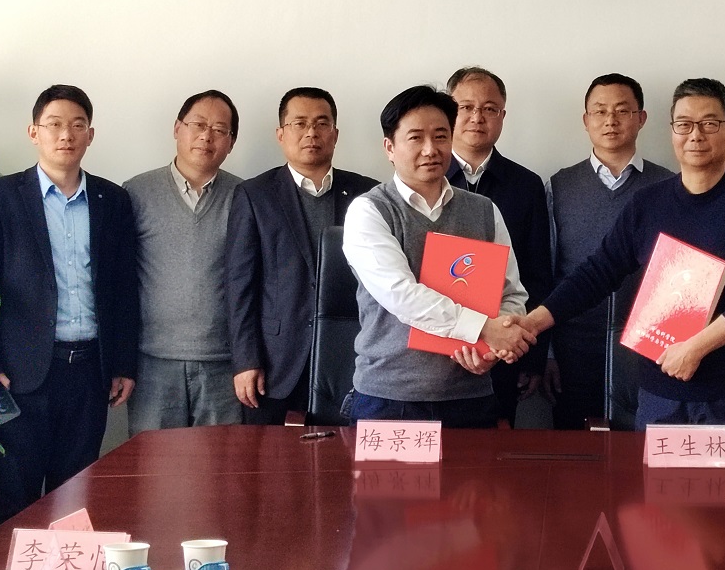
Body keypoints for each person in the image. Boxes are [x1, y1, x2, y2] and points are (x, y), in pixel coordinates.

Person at [514, 78, 725, 433]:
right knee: (656, 474)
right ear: (672, 130)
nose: (695, 135)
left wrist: (695, 348)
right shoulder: (648, 203)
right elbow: (597, 273)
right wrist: (532, 323)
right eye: (684, 124)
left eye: (709, 123)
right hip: (661, 394)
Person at [0, 85, 139, 524]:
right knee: (18, 499)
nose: (66, 135)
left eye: (77, 125)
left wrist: (123, 363)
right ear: (34, 132)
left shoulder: (112, 200)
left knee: (75, 499)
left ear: (90, 135)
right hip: (19, 375)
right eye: (54, 125)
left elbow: (123, 289)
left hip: (89, 372)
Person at [342, 85, 533, 426]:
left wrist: (492, 348)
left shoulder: (484, 210)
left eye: (441, 136)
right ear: (390, 147)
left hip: (471, 396)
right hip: (390, 397)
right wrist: (484, 330)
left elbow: (512, 293)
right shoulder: (370, 210)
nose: (431, 149)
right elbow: (402, 295)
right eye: (416, 137)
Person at [226, 87, 377, 425]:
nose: (311, 133)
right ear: (281, 134)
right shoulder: (255, 195)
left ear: (335, 134)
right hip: (275, 362)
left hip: (351, 355)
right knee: (272, 456)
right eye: (300, 123)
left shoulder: (367, 194)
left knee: (343, 453)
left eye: (322, 123)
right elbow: (239, 286)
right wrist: (246, 361)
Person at [547, 73, 673, 429]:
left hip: (647, 345)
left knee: (642, 443)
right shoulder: (559, 185)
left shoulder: (669, 185)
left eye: (622, 110)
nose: (610, 120)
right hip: (574, 344)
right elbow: (548, 270)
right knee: (577, 444)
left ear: (641, 118)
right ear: (586, 120)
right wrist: (548, 353)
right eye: (600, 111)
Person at [123, 90, 244, 435]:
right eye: (198, 125)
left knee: (221, 463)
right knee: (154, 463)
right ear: (177, 128)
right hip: (152, 363)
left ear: (231, 142)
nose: (207, 136)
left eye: (219, 130)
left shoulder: (246, 197)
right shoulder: (135, 193)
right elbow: (118, 280)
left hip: (224, 365)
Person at [445, 66, 552, 426]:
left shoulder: (526, 185)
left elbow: (537, 275)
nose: (477, 117)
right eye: (466, 107)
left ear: (502, 116)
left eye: (489, 109)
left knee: (493, 451)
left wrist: (532, 358)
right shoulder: (425, 177)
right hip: (433, 351)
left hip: (504, 352)